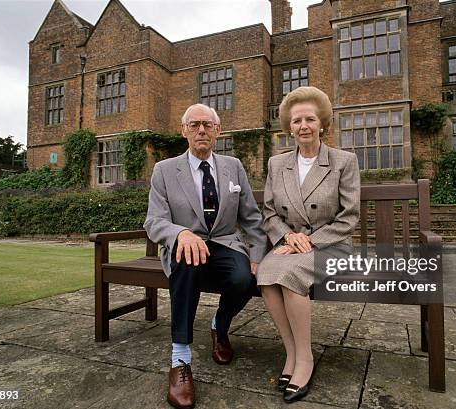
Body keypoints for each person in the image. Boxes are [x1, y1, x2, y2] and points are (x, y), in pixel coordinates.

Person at [144, 103, 266, 409]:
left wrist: (258, 253)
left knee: (245, 278)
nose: (201, 130)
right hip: (187, 246)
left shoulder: (233, 166)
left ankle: (219, 326)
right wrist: (180, 234)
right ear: (184, 130)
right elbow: (154, 221)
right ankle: (180, 359)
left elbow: (251, 216)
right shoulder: (164, 170)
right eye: (194, 124)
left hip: (225, 243)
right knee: (186, 259)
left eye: (208, 125)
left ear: (218, 131)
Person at [256, 86, 360, 403]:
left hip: (331, 246)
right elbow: (270, 212)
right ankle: (292, 352)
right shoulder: (277, 164)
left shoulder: (344, 161)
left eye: (310, 119)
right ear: (289, 127)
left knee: (288, 276)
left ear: (322, 124)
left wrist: (308, 240)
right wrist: (288, 236)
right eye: (297, 120)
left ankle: (305, 360)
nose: (304, 126)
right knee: (265, 274)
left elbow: (349, 216)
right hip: (289, 246)